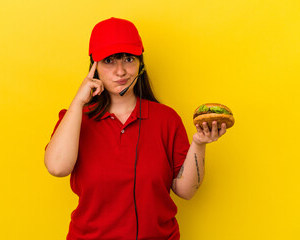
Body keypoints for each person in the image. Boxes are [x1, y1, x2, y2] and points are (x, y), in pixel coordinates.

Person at [44, 17, 227, 240]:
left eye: (128, 59)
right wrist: (78, 101)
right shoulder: (75, 118)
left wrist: (199, 144)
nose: (120, 71)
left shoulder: (166, 119)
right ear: (94, 67)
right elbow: (57, 168)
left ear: (140, 64)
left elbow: (186, 191)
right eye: (109, 61)